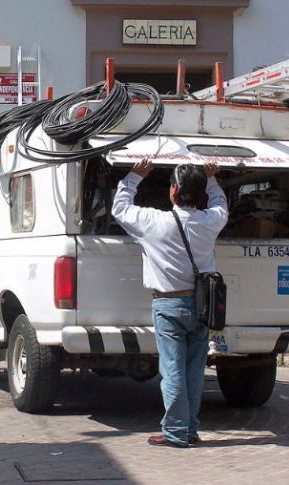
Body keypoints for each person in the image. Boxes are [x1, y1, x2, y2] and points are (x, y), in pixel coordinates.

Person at [112, 160, 228, 448]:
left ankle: (176, 431)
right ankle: (189, 428)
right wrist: (211, 179)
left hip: (168, 305)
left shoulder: (154, 223)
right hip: (202, 306)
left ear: (173, 191)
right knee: (193, 371)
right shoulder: (210, 222)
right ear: (198, 193)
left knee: (173, 370)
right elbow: (221, 205)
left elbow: (120, 208)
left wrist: (134, 176)